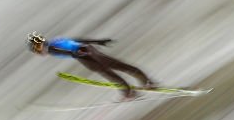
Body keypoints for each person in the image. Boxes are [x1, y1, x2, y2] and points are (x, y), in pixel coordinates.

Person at [25, 32, 155, 99]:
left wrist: (75, 53)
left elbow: (64, 51)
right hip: (88, 49)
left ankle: (129, 93)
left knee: (108, 73)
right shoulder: (56, 41)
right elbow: (78, 40)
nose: (38, 53)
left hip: (84, 54)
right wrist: (99, 41)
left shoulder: (51, 49)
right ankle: (147, 82)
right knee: (118, 65)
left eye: (35, 50)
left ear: (38, 48)